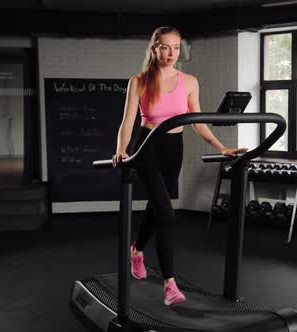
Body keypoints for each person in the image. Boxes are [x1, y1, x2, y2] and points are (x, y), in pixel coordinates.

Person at [111, 26, 247, 306]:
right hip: (146, 147)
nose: (171, 53)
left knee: (156, 206)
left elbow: (197, 121)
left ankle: (136, 249)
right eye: (165, 47)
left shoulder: (190, 81)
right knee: (166, 213)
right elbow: (128, 121)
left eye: (175, 47)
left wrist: (222, 148)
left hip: (174, 149)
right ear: (154, 49)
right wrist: (121, 150)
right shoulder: (139, 81)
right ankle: (170, 285)